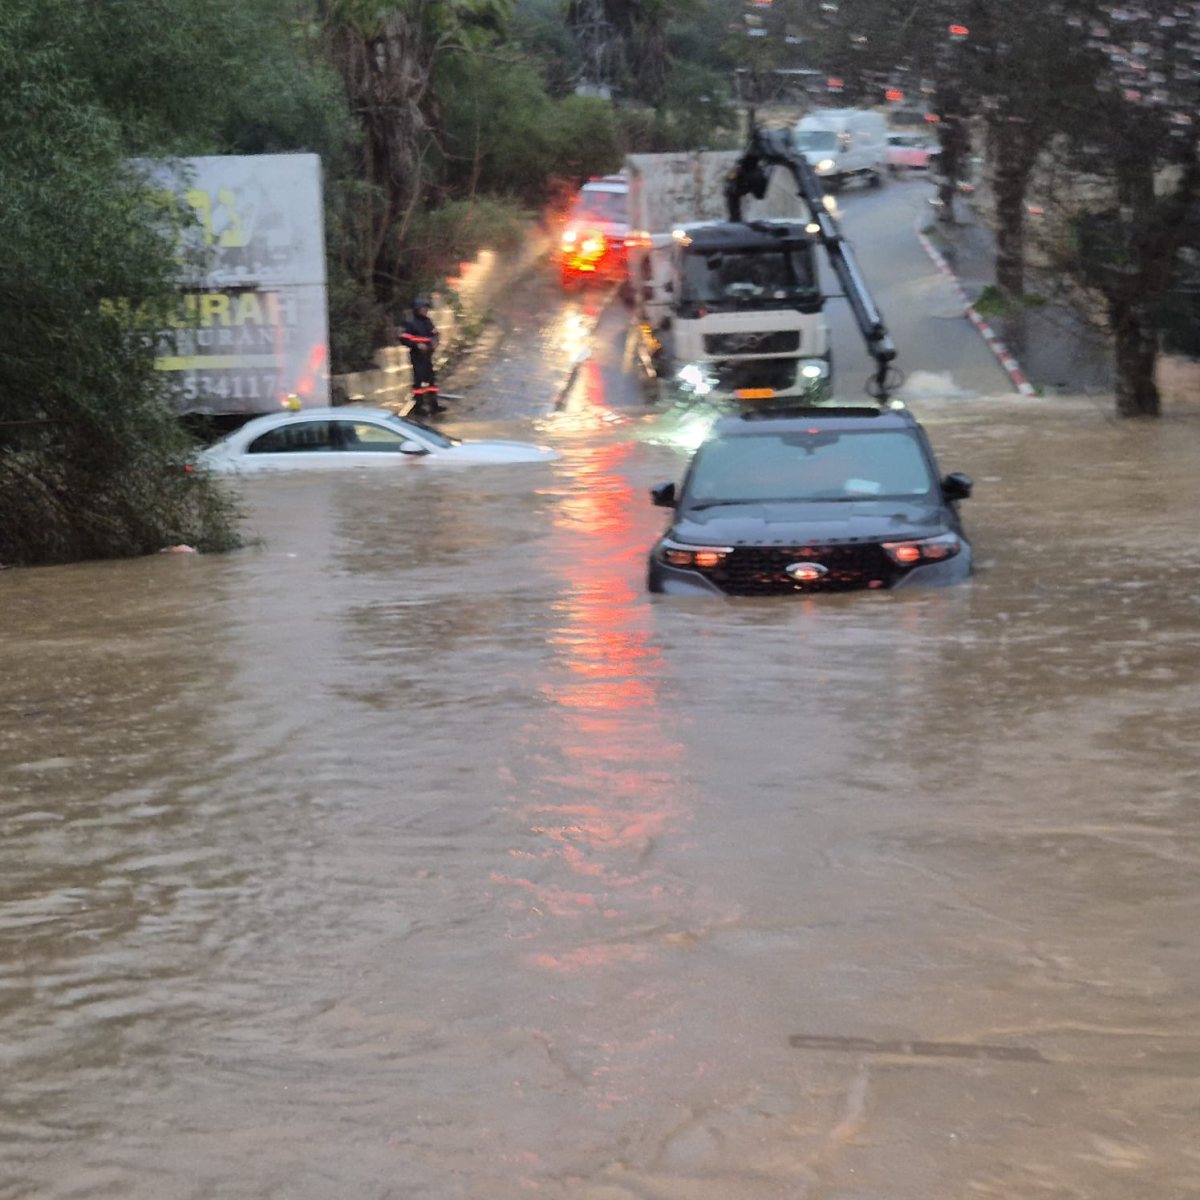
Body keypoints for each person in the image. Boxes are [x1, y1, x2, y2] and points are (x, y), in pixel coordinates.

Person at [400, 297, 444, 416]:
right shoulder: (410, 323)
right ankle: (419, 407)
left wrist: (435, 341)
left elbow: (434, 334)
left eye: (426, 308)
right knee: (418, 382)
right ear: (416, 309)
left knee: (431, 381)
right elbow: (404, 338)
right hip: (417, 356)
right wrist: (416, 345)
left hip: (428, 355)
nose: (425, 310)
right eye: (423, 308)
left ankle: (434, 405)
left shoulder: (428, 321)